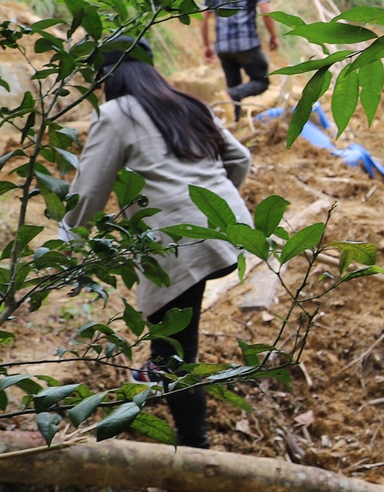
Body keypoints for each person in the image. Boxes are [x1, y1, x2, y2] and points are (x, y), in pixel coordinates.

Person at [66, 43, 253, 449]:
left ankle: (195, 447)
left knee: (175, 356)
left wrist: (68, 240)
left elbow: (88, 193)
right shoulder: (186, 103)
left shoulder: (116, 114)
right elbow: (240, 158)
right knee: (174, 343)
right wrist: (213, 210)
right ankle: (159, 382)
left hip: (178, 241)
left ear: (106, 78)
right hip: (226, 228)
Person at [201, 0, 279, 113]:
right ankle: (229, 95)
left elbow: (204, 15)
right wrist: (274, 36)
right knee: (261, 81)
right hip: (247, 44)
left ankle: (233, 122)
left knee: (234, 86)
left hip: (223, 47)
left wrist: (207, 45)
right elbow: (265, 10)